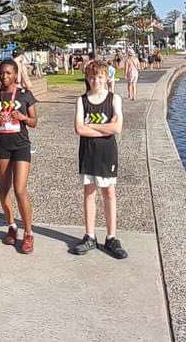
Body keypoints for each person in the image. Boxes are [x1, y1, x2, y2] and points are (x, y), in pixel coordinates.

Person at [70, 60, 127, 259]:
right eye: (93, 77)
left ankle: (111, 237)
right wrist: (105, 128)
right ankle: (90, 235)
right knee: (89, 192)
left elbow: (117, 128)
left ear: (106, 77)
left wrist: (91, 127)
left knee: (109, 192)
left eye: (100, 77)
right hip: (88, 152)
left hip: (107, 153)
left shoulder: (114, 99)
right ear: (87, 78)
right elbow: (79, 128)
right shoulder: (82, 100)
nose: (96, 81)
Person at [0, 60, 39, 254]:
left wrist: (23, 118)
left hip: (21, 145)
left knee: (20, 189)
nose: (4, 77)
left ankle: (28, 232)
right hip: (2, 146)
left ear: (15, 74)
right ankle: (11, 225)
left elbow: (34, 122)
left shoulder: (25, 95)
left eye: (8, 73)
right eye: (2, 73)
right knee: (3, 187)